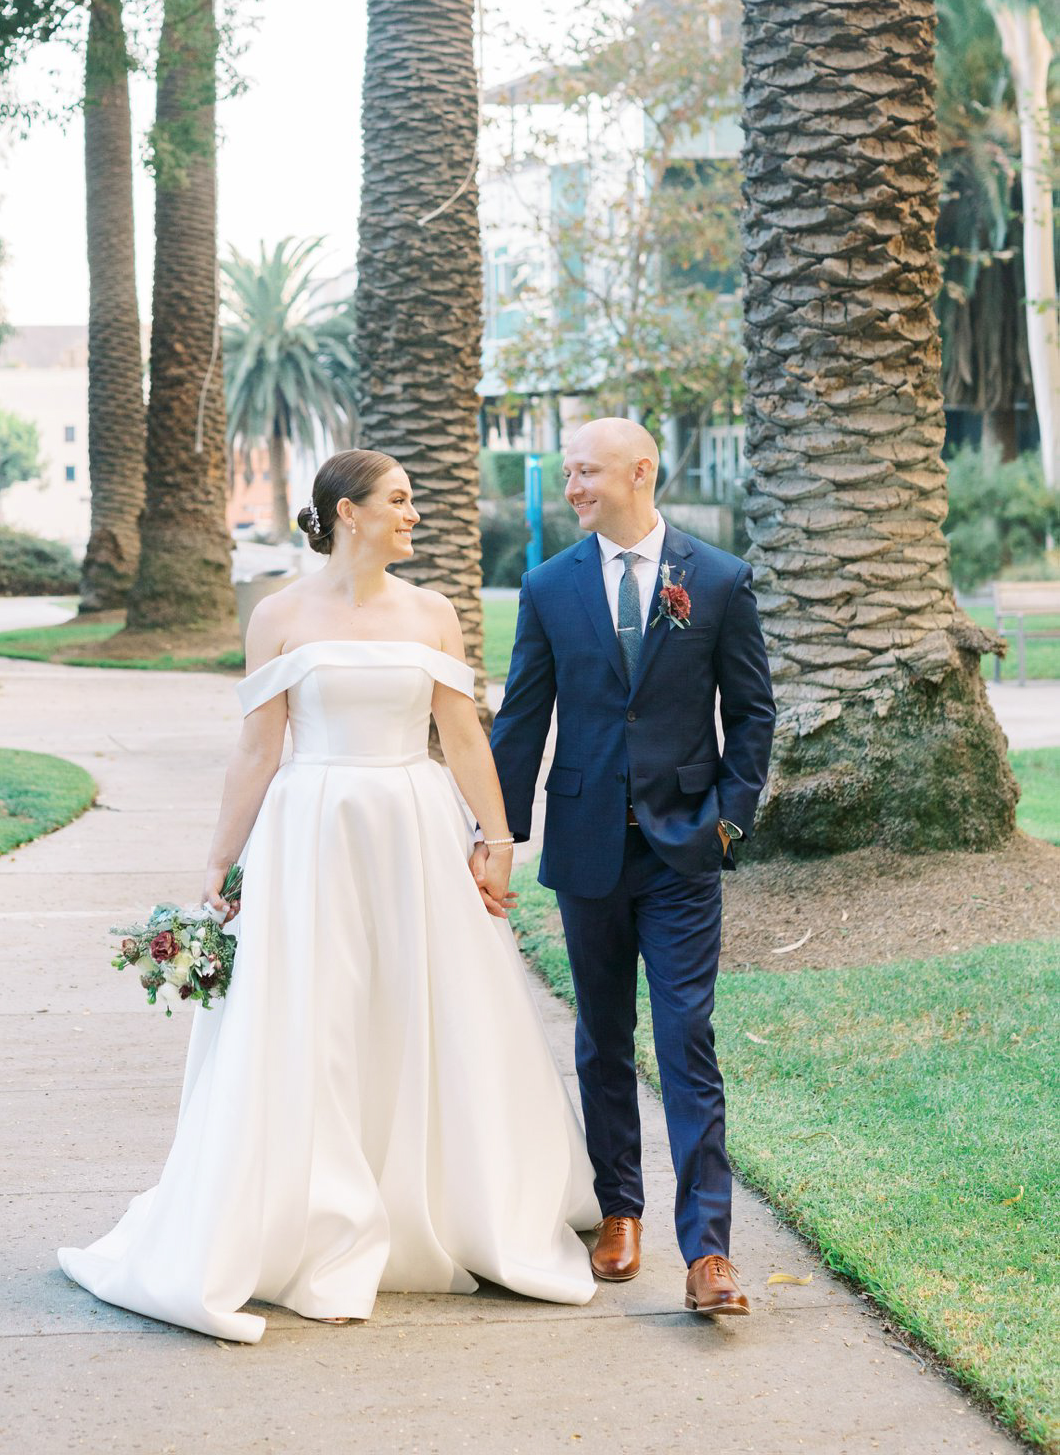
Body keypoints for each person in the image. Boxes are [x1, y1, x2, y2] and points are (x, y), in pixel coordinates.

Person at [58, 448, 597, 1342]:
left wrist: (495, 839)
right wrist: (216, 867)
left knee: (422, 1009)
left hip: (413, 826)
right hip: (310, 830)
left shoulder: (431, 614)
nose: (413, 513)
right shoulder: (277, 615)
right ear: (347, 512)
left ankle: (440, 1206)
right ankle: (319, 1221)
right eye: (399, 499)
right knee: (317, 1019)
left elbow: (462, 737)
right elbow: (256, 750)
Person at [488, 418, 775, 1316]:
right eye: (570, 471)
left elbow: (753, 715)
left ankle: (710, 1254)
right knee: (603, 1040)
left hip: (683, 851)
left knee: (687, 1042)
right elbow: (522, 721)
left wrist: (727, 823)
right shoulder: (547, 586)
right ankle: (620, 1212)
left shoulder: (718, 580)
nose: (572, 486)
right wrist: (498, 833)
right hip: (584, 852)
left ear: (638, 473)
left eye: (585, 472)